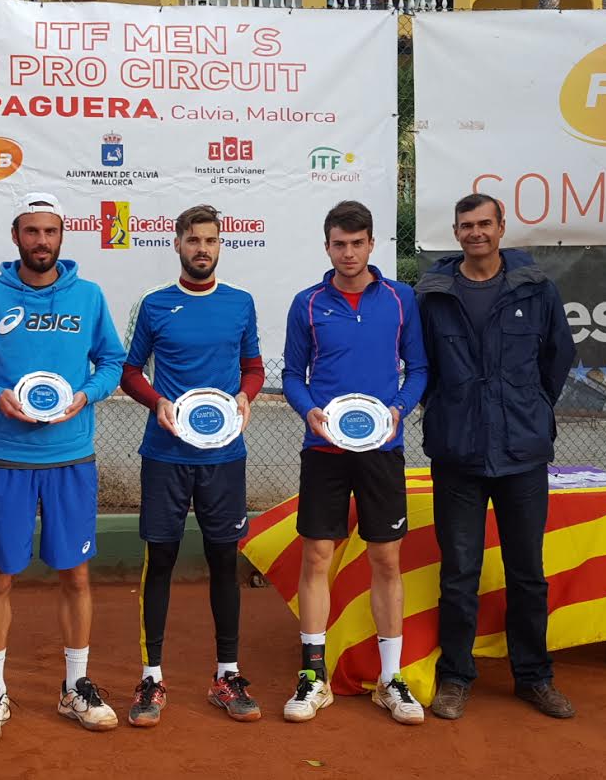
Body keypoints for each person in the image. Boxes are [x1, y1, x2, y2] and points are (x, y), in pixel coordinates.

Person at [0, 192, 128, 744]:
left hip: (71, 457)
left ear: (61, 236)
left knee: (75, 574)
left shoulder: (89, 296)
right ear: (16, 237)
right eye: (31, 231)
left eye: (50, 231)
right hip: (9, 459)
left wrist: (86, 394)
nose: (41, 241)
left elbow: (113, 361)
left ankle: (76, 686)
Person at [414, 193, 576, 722]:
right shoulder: (432, 295)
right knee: (460, 572)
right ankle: (456, 678)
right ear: (456, 232)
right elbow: (421, 366)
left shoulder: (537, 288)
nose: (476, 233)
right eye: (466, 225)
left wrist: (527, 406)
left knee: (527, 572)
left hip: (521, 453)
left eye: (485, 223)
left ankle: (534, 677)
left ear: (502, 227)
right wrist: (449, 407)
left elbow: (557, 357)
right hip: (457, 454)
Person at [280, 200, 428, 726]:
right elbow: (292, 375)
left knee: (386, 560)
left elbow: (419, 368)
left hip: (382, 451)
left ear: (371, 244)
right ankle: (313, 677)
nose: (348, 253)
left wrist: (399, 409)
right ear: (327, 247)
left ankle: (391, 679)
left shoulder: (401, 298)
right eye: (339, 244)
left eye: (357, 243)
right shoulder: (307, 304)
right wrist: (309, 411)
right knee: (317, 556)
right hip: (324, 450)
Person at [118, 204, 265, 727]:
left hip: (224, 457)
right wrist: (157, 401)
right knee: (160, 560)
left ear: (221, 245)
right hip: (166, 456)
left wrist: (246, 396)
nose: (203, 248)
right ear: (178, 243)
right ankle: (151, 679)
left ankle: (227, 675)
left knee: (224, 562)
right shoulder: (154, 304)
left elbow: (253, 367)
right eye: (194, 240)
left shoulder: (240, 303)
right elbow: (129, 372)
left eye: (211, 240)